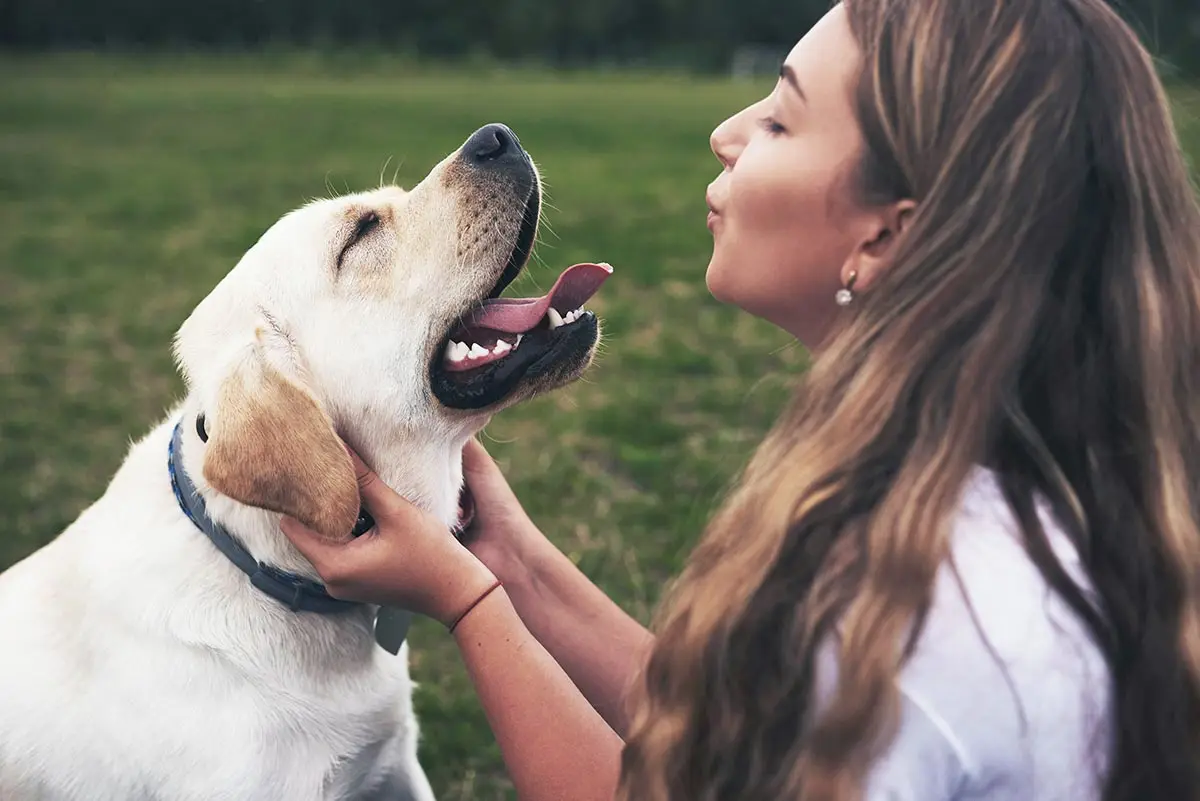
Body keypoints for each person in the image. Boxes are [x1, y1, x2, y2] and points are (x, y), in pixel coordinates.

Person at [279, 1, 1200, 799]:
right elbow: (738, 741)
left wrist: (469, 604)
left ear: (885, 238)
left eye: (782, 122)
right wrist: (514, 564)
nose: (726, 129)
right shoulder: (998, 495)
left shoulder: (917, 608)